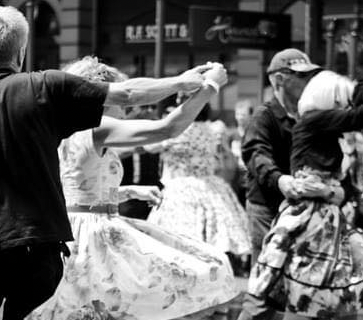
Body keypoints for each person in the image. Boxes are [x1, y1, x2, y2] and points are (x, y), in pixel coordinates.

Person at [0, 7, 218, 320]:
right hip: (38, 248)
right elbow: (129, 94)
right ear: (20, 53)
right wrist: (182, 82)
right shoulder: (46, 87)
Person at [26, 57, 238, 320]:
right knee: (207, 266)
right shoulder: (97, 127)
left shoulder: (60, 126)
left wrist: (128, 192)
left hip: (68, 228)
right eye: (120, 101)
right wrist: (210, 88)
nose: (126, 109)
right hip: (92, 235)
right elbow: (168, 128)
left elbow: (74, 187)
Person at [242, 68, 363, 319]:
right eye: (338, 103)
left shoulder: (319, 124)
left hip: (322, 218)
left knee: (322, 293)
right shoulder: (314, 119)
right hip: (309, 218)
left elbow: (358, 97)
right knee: (290, 291)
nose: (342, 109)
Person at [242, 48, 363, 266]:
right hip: (269, 206)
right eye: (302, 77)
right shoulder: (265, 115)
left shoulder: (315, 114)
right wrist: (280, 180)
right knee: (268, 273)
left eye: (311, 76)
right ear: (279, 80)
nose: (310, 82)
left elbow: (356, 104)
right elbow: (255, 154)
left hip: (308, 207)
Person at [146, 101, 252, 258]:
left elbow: (150, 147)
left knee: (179, 241)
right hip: (210, 186)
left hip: (181, 189)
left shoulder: (178, 132)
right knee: (210, 239)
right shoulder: (213, 130)